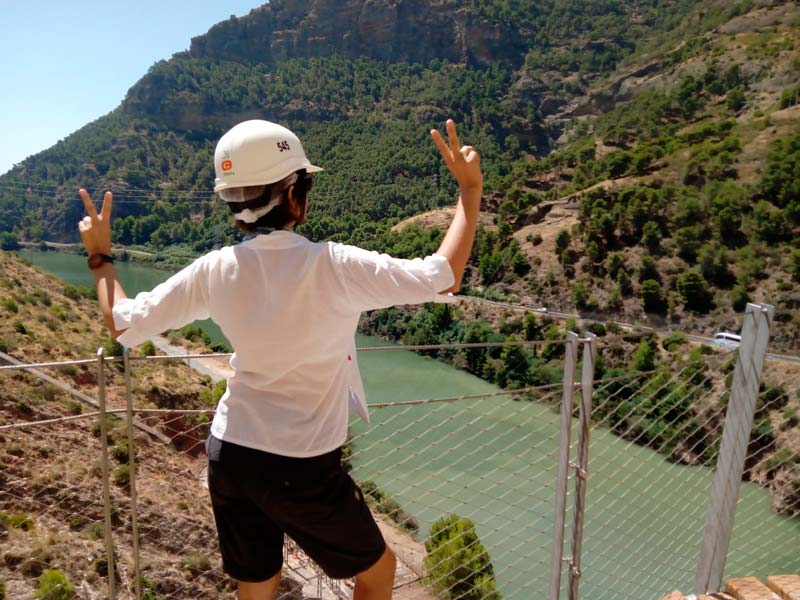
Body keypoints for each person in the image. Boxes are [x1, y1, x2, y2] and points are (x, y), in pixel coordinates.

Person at [77, 118, 482, 600]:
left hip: (231, 455)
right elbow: (443, 275)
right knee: (377, 571)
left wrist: (100, 258)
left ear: (235, 204)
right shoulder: (335, 266)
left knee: (256, 587)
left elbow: (123, 323)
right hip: (303, 464)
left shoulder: (215, 270)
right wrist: (470, 189)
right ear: (294, 193)